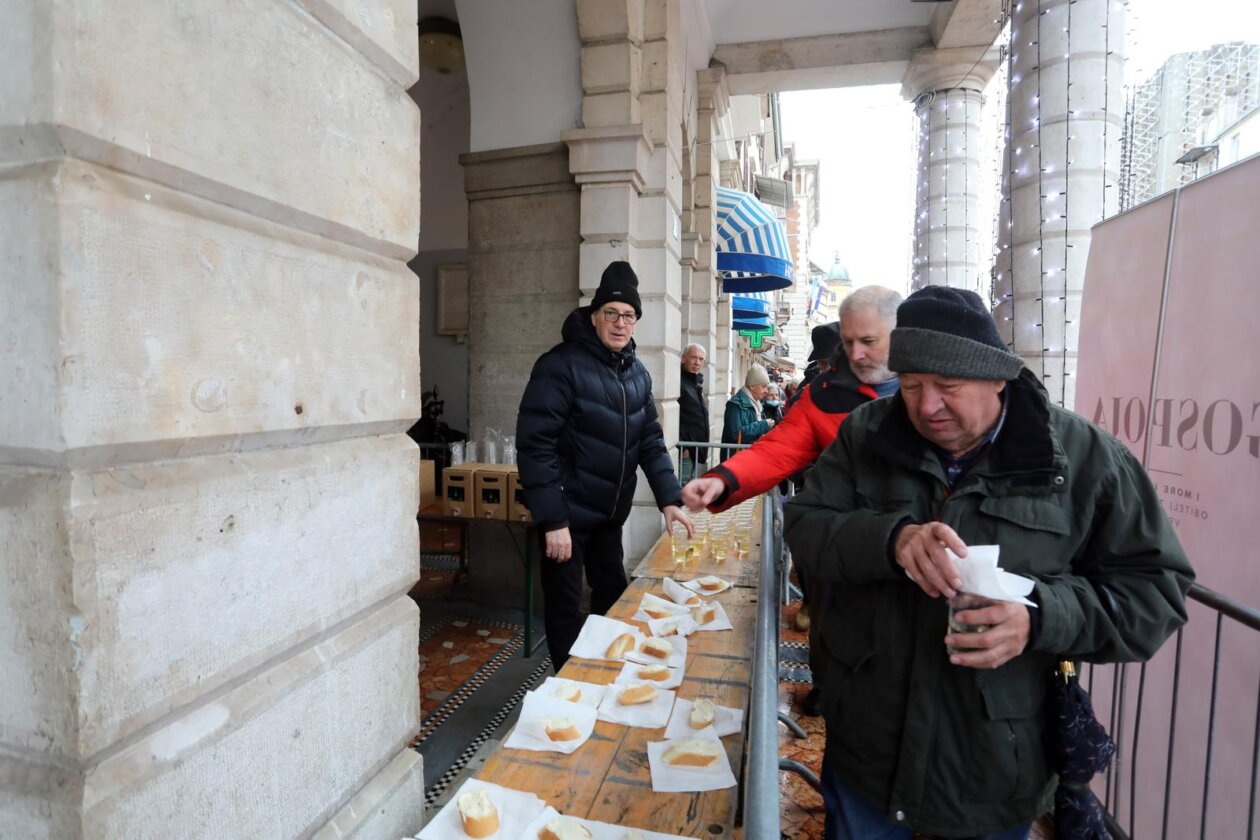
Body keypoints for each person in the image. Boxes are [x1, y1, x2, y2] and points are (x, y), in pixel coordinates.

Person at [784, 285, 1193, 839]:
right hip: (868, 749)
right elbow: (805, 525)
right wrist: (891, 540)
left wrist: (1039, 617)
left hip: (994, 767)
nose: (927, 406)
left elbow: (1155, 591)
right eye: (911, 385)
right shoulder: (868, 432)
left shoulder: (1085, 459)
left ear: (998, 378)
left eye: (948, 387)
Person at [682, 285, 903, 715]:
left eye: (869, 341)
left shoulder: (929, 385)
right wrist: (724, 479)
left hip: (913, 568)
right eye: (849, 342)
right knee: (839, 659)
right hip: (843, 556)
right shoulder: (825, 392)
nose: (856, 354)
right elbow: (780, 448)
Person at [516, 261, 694, 669]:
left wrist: (670, 499)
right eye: (611, 313)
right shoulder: (559, 365)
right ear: (594, 316)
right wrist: (552, 520)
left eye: (628, 315)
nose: (620, 323)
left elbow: (650, 441)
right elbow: (535, 446)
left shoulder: (637, 374)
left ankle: (603, 673)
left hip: (608, 518)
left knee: (613, 596)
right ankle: (568, 687)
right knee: (564, 610)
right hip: (567, 517)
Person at [720, 364, 774, 460]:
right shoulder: (735, 404)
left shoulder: (757, 404)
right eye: (763, 386)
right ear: (752, 386)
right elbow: (735, 435)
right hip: (736, 460)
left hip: (749, 458)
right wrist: (763, 425)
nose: (766, 391)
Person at [678, 344, 709, 483]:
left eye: (701, 359)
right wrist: (683, 448)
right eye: (693, 358)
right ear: (684, 358)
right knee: (683, 490)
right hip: (685, 451)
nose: (697, 362)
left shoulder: (696, 382)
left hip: (696, 450)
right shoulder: (679, 381)